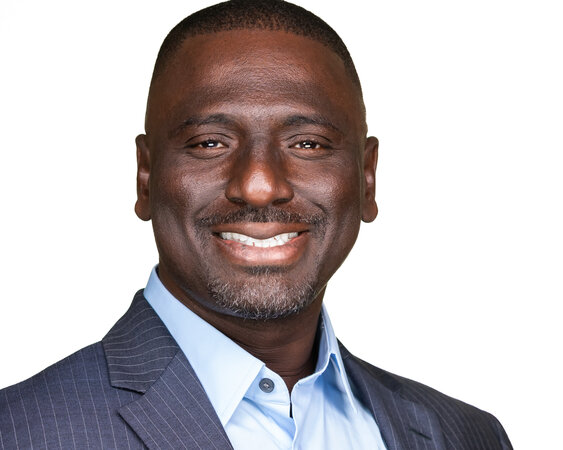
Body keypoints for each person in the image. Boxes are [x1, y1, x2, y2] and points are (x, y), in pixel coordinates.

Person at [0, 1, 512, 448]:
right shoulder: (18, 433)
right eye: (210, 143)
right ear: (146, 177)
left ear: (367, 179)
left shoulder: (468, 435)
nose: (260, 185)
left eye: (308, 143)